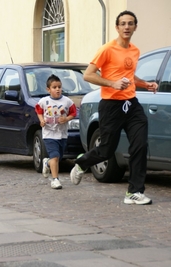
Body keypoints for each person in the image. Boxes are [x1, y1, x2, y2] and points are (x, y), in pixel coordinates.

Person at [71, 10, 158, 205]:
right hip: (111, 105)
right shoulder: (107, 49)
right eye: (123, 24)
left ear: (135, 27)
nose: (127, 27)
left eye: (130, 23)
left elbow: (129, 75)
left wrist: (146, 84)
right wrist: (112, 84)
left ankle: (134, 192)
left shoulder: (135, 50)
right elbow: (88, 75)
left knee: (140, 145)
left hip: (131, 104)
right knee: (107, 150)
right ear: (117, 27)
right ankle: (82, 163)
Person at [35, 74, 76, 189]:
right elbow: (38, 110)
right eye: (54, 87)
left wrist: (66, 119)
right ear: (48, 89)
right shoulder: (44, 101)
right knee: (55, 157)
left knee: (58, 157)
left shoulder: (67, 101)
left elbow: (73, 113)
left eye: (59, 87)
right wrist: (42, 120)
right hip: (49, 133)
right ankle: (55, 179)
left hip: (62, 133)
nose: (57, 89)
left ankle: (46, 163)